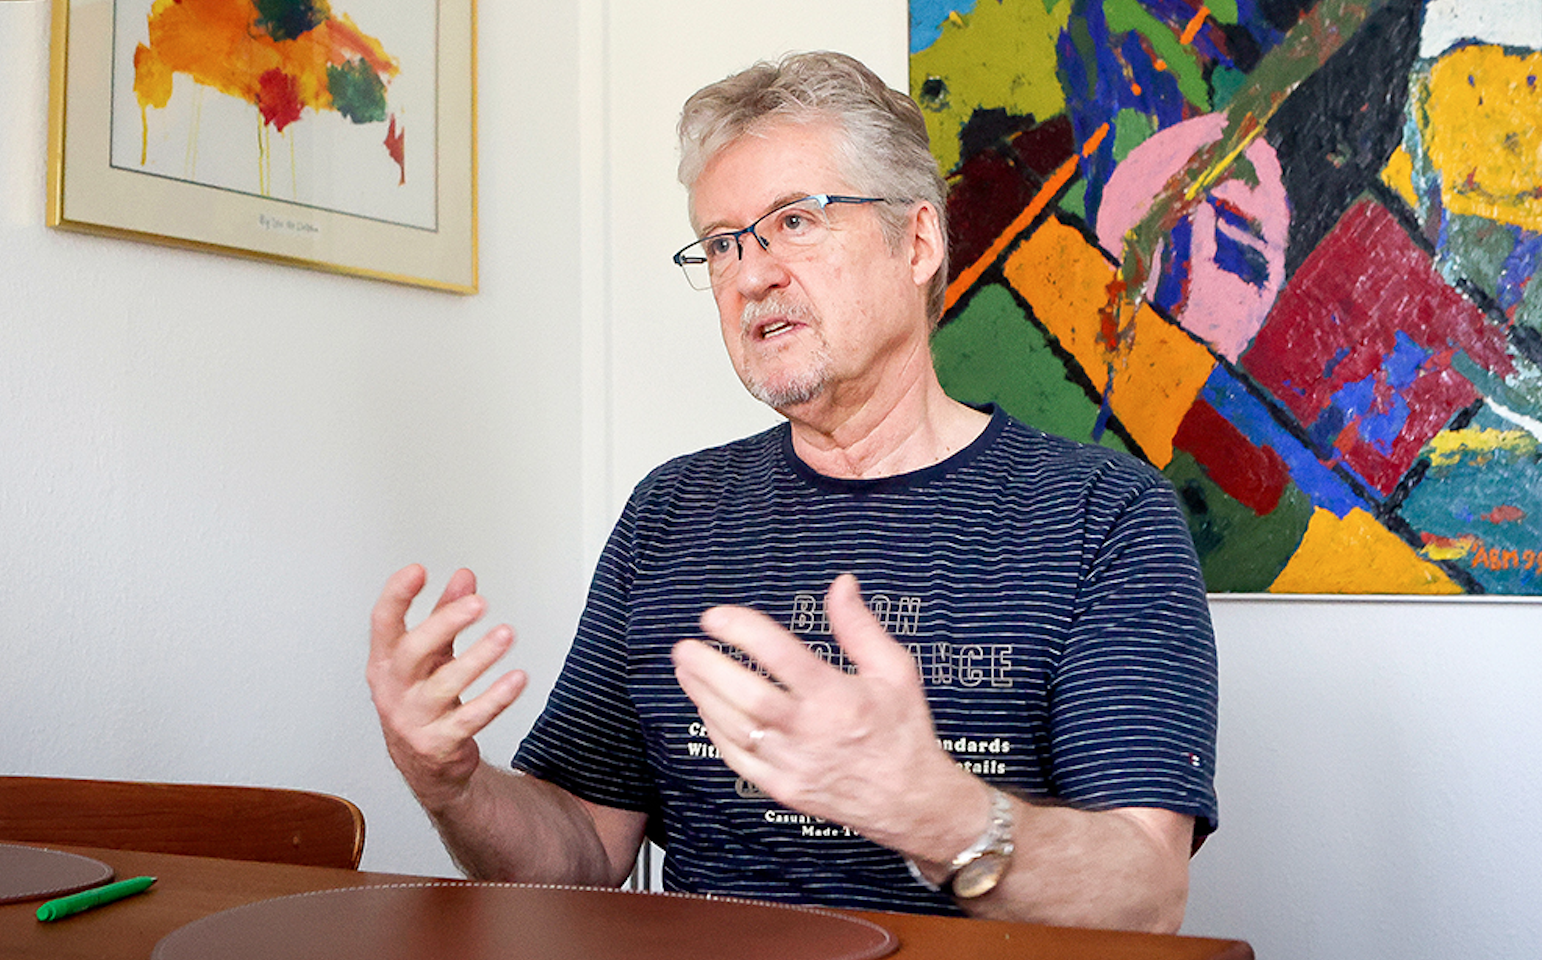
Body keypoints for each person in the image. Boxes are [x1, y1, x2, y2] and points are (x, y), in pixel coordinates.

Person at [367, 51, 1217, 933]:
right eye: (722, 243)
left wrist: (932, 810)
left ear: (918, 242)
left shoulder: (1105, 516)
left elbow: (1144, 896)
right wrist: (452, 785)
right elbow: (581, 850)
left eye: (795, 221)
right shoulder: (672, 512)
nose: (750, 275)